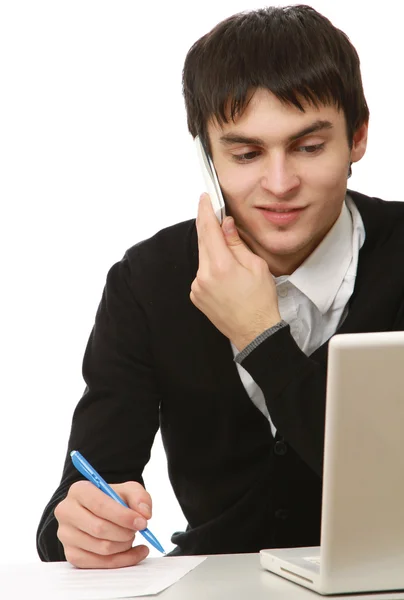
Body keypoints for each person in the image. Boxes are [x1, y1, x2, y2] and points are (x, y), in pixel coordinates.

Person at [36, 4, 404, 568]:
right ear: (208, 156)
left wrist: (260, 336)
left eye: (308, 147)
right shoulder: (148, 280)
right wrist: (84, 525)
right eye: (246, 153)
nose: (279, 184)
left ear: (357, 138)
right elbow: (79, 496)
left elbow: (390, 485)